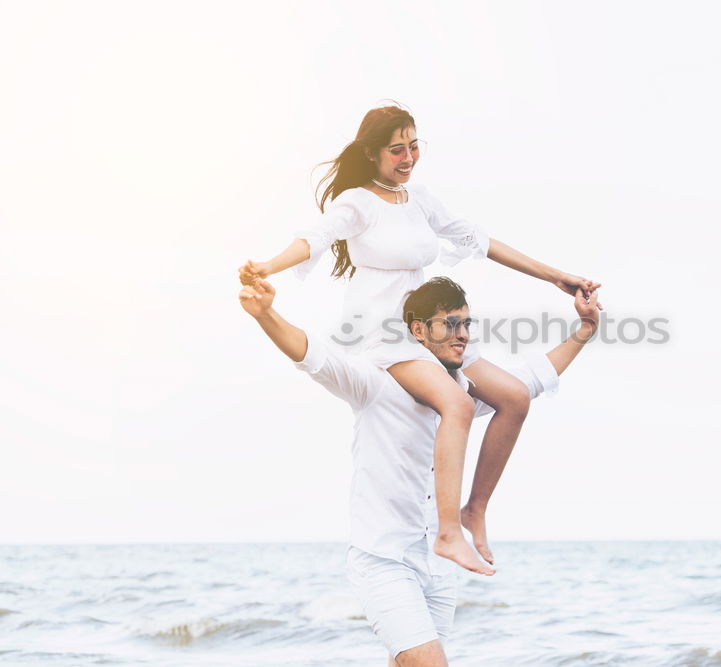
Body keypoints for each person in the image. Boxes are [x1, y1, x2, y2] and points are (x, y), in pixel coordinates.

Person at [238, 103, 602, 575]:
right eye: (396, 149)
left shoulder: (420, 200)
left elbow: (481, 242)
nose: (408, 157)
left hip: (431, 328)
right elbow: (314, 238)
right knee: (458, 404)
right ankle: (448, 533)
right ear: (371, 154)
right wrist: (268, 266)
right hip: (385, 334)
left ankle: (475, 510)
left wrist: (557, 277)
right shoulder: (357, 203)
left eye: (414, 146)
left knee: (513, 398)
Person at [239, 275, 600, 666]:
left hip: (438, 570)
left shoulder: (461, 395)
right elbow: (315, 356)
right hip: (384, 562)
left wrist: (584, 330)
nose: (462, 334)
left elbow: (527, 384)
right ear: (418, 331)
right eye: (450, 323)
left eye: (466, 324)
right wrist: (266, 314)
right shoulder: (374, 385)